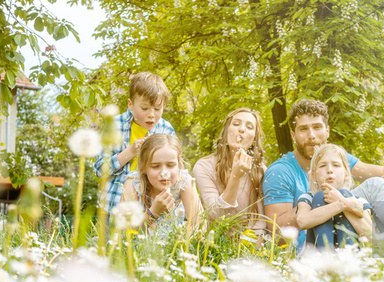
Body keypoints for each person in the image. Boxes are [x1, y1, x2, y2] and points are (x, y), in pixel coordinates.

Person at [262, 99, 384, 244]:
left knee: (375, 184)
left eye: (317, 127)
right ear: (293, 135)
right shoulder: (280, 171)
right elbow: (278, 235)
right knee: (321, 197)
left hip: (349, 230)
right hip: (310, 242)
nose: (311, 136)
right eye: (303, 129)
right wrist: (319, 201)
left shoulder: (336, 158)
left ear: (327, 131)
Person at [95, 72, 176, 213]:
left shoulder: (165, 129)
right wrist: (130, 152)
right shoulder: (114, 126)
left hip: (152, 208)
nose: (151, 114)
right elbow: (100, 170)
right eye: (144, 108)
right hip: (113, 208)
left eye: (157, 109)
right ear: (130, 105)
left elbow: (174, 169)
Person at [193, 108, 267, 238]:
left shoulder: (260, 171)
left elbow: (259, 224)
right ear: (226, 130)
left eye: (249, 127)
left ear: (254, 138)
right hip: (213, 243)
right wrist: (235, 177)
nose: (242, 129)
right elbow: (217, 216)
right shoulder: (204, 167)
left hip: (248, 246)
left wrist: (251, 254)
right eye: (236, 124)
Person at [121, 134, 203, 233]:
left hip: (173, 245)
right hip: (139, 247)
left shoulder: (183, 181)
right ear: (144, 167)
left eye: (170, 165)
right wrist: (153, 213)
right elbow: (123, 230)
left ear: (178, 164)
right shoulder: (134, 183)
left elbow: (200, 225)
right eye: (155, 166)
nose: (165, 173)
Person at [296, 144, 373, 249]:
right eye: (323, 166)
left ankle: (347, 256)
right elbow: (303, 222)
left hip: (352, 257)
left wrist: (343, 200)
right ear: (313, 175)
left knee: (345, 194)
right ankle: (326, 257)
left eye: (336, 165)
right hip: (317, 256)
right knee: (319, 196)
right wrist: (342, 204)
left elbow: (371, 238)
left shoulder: (357, 200)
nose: (329, 170)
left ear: (346, 173)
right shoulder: (308, 198)